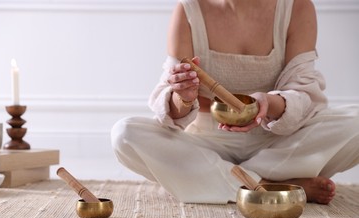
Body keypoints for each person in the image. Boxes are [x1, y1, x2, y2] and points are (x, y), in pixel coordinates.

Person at [111, 0, 359, 205]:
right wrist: (183, 97)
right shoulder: (189, 9)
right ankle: (268, 186)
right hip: (206, 142)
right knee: (125, 133)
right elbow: (172, 106)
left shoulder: (296, 6)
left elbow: (303, 92)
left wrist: (268, 103)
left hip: (277, 141)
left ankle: (215, 180)